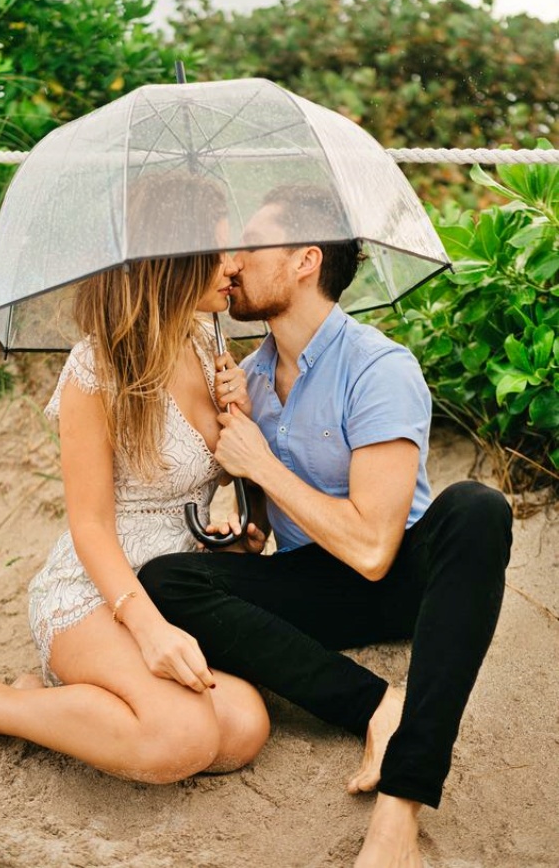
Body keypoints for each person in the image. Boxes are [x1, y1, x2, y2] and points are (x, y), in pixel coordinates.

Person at [137, 184, 514, 867]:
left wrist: (262, 463)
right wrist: (249, 524)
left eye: (252, 245)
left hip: (403, 576)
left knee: (478, 509)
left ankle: (402, 801)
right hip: (315, 581)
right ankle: (375, 705)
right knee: (166, 578)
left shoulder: (378, 367)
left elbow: (373, 548)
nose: (232, 261)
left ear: (306, 260)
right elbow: (268, 521)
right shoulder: (247, 379)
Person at [0, 174, 272, 782]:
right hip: (98, 590)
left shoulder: (208, 345)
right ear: (175, 260)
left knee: (243, 729)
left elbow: (231, 484)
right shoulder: (97, 369)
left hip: (176, 580)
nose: (234, 264)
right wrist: (150, 632)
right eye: (219, 250)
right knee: (183, 736)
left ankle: (67, 701)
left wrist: (242, 454)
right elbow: (90, 526)